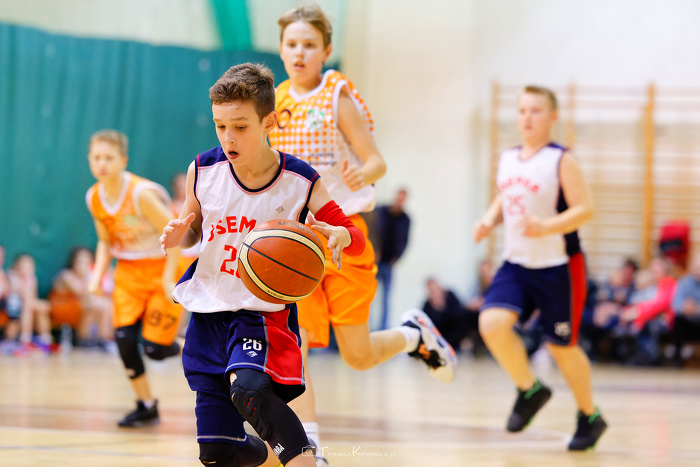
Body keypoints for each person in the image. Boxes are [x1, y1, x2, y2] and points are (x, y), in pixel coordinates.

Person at [267, 3, 456, 463]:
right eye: (292, 44)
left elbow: (375, 161)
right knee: (297, 344)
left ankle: (413, 336)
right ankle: (308, 448)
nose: (299, 52)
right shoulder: (274, 102)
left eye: (309, 44)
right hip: (298, 239)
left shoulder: (336, 94)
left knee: (357, 355)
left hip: (344, 232)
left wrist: (362, 173)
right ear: (281, 49)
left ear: (326, 50)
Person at [160, 62, 367, 467]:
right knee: (218, 453)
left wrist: (343, 235)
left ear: (269, 122)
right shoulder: (202, 169)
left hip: (261, 314)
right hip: (209, 311)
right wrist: (178, 235)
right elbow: (193, 230)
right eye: (220, 126)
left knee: (249, 389)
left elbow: (352, 235)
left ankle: (307, 461)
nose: (228, 137)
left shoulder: (300, 180)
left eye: (240, 126)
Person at [473, 85, 607, 450]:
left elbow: (585, 209)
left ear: (552, 117)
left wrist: (546, 226)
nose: (527, 117)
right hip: (516, 262)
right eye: (522, 110)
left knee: (562, 347)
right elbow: (506, 195)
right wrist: (488, 220)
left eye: (535, 110)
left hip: (558, 266)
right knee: (491, 324)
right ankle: (529, 390)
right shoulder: (508, 158)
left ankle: (590, 416)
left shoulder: (561, 159)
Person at [85, 129, 183, 427]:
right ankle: (146, 405)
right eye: (97, 158)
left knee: (155, 350)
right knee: (124, 340)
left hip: (161, 266)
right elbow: (105, 241)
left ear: (123, 160)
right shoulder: (94, 197)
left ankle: (196, 346)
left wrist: (169, 278)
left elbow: (175, 236)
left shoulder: (141, 194)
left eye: (109, 158)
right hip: (128, 271)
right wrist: (97, 275)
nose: (102, 164)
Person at [48, 246, 113, 349]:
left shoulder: (88, 277)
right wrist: (88, 277)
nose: (83, 265)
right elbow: (83, 293)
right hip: (61, 310)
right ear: (74, 262)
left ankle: (104, 339)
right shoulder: (66, 275)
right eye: (80, 262)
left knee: (105, 304)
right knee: (92, 304)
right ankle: (83, 339)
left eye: (86, 262)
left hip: (79, 308)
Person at [617, 256, 677, 365]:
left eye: (657, 268)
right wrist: (629, 311)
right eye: (652, 268)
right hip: (646, 318)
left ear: (665, 270)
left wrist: (638, 311)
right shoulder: (650, 284)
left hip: (663, 320)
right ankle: (629, 352)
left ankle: (648, 355)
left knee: (648, 323)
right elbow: (637, 299)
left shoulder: (668, 283)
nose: (654, 270)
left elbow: (660, 304)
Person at [374, 188, 411, 330]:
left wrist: (397, 258)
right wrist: (374, 251)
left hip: (389, 264)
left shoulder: (405, 219)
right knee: (368, 297)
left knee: (386, 300)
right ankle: (366, 328)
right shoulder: (381, 211)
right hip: (374, 262)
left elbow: (405, 240)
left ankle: (383, 329)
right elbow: (372, 231)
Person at [0, 253, 53, 355]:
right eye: (23, 266)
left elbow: (33, 296)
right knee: (33, 306)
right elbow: (20, 296)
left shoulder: (32, 278)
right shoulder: (12, 276)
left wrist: (36, 303)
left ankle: (45, 340)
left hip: (28, 306)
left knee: (39, 309)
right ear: (17, 266)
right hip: (13, 309)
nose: (26, 269)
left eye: (29, 266)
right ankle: (25, 340)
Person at [671, 252, 700, 366]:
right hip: (688, 322)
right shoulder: (684, 283)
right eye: (697, 268)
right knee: (678, 319)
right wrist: (685, 308)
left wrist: (696, 308)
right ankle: (677, 360)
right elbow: (676, 305)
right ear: (692, 268)